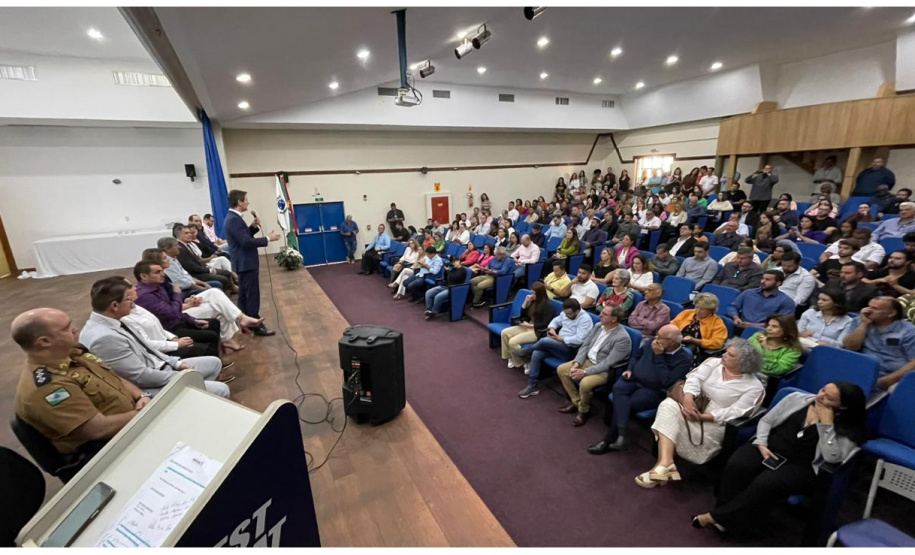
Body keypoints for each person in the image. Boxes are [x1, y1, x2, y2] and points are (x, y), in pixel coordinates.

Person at [693, 382, 867, 537]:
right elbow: (767, 420)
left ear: (843, 407)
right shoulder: (797, 399)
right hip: (769, 446)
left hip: (800, 464)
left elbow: (832, 457)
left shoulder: (846, 427)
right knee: (737, 465)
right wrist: (761, 443)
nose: (820, 396)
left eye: (829, 398)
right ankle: (727, 520)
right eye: (822, 390)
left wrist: (826, 425)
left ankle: (717, 518)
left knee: (766, 484)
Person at [12, 307, 149, 458]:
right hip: (109, 450)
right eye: (66, 328)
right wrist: (144, 413)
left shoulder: (70, 352)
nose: (75, 329)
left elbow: (111, 377)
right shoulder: (49, 388)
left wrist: (140, 395)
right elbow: (98, 430)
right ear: (44, 342)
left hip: (133, 423)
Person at [636, 339, 765, 487]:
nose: (724, 355)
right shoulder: (714, 363)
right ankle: (665, 463)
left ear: (744, 363)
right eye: (726, 352)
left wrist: (705, 417)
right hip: (693, 406)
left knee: (668, 418)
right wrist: (688, 398)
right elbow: (694, 378)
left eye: (730, 355)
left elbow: (736, 411)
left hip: (715, 422)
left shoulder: (754, 387)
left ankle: (663, 466)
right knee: (668, 405)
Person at [79, 278, 230, 398]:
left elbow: (147, 347)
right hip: (149, 386)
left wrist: (176, 363)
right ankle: (195, 398)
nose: (132, 303)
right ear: (114, 305)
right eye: (128, 299)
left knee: (214, 363)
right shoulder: (104, 338)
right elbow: (139, 376)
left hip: (161, 367)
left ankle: (196, 397)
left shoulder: (118, 320)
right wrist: (178, 376)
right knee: (222, 389)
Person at [588, 325, 693, 454]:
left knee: (626, 403)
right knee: (618, 387)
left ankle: (609, 440)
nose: (656, 338)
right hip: (633, 379)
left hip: (653, 390)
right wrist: (630, 369)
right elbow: (636, 356)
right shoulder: (652, 342)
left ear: (672, 342)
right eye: (657, 334)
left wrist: (659, 356)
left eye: (660, 337)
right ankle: (622, 434)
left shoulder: (684, 359)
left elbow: (666, 381)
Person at [557, 305, 631, 425]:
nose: (600, 315)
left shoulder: (622, 338)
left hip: (604, 370)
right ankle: (577, 402)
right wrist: (577, 363)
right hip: (587, 360)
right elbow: (585, 345)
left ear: (614, 319)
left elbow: (608, 363)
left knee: (585, 383)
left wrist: (585, 372)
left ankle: (583, 411)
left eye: (605, 314)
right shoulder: (598, 326)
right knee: (562, 369)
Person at [224, 189, 281, 336]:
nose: (248, 202)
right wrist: (267, 239)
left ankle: (245, 321)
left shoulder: (233, 218)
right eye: (246, 200)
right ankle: (256, 324)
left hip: (243, 262)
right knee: (252, 294)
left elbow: (243, 237)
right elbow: (246, 242)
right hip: (246, 262)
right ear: (239, 202)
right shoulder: (234, 219)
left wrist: (253, 227)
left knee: (244, 294)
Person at [132, 262, 219, 356]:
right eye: (157, 272)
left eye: (162, 271)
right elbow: (172, 312)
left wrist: (193, 320)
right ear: (144, 276)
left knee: (214, 323)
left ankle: (217, 355)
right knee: (210, 337)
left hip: (176, 322)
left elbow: (174, 310)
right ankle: (212, 357)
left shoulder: (157, 287)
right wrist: (177, 294)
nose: (163, 274)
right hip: (169, 330)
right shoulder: (145, 295)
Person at [515, 298, 594, 399]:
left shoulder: (585, 320)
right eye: (565, 313)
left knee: (545, 341)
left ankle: (526, 351)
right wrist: (552, 328)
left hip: (570, 350)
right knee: (537, 353)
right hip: (558, 345)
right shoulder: (566, 312)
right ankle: (532, 386)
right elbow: (556, 321)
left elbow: (579, 339)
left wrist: (560, 339)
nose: (566, 316)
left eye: (569, 314)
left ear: (577, 311)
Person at [844, 296, 915, 391]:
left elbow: (913, 363)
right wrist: (863, 325)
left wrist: (886, 381)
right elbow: (851, 347)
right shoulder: (860, 321)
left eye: (875, 308)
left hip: (892, 376)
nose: (868, 311)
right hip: (863, 369)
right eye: (869, 306)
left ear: (891, 313)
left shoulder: (909, 331)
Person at [500, 282, 555, 367]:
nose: (532, 295)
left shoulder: (548, 306)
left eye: (534, 293)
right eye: (531, 292)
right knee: (504, 332)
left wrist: (530, 326)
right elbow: (523, 316)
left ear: (540, 293)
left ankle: (524, 361)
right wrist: (526, 302)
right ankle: (509, 356)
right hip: (527, 326)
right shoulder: (534, 302)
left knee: (512, 342)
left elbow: (545, 324)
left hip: (536, 331)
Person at [173, 225, 235, 292]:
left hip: (200, 268)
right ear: (178, 235)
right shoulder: (180, 248)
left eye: (190, 233)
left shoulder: (187, 245)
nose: (189, 234)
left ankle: (232, 288)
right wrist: (208, 270)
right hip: (195, 274)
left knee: (226, 272)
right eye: (186, 233)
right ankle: (223, 293)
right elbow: (191, 266)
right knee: (222, 279)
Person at [727, 270, 796, 328]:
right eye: (762, 278)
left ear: (778, 283)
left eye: (767, 280)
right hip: (739, 326)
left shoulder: (786, 301)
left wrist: (753, 325)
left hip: (764, 332)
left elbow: (782, 323)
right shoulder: (748, 293)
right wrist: (736, 317)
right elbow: (733, 307)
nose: (763, 281)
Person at [671, 293, 728, 360]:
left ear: (711, 310)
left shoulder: (717, 323)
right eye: (697, 307)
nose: (698, 311)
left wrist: (694, 340)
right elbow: (671, 326)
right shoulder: (686, 313)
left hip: (697, 351)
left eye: (702, 309)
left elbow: (717, 343)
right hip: (676, 342)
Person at [820, 228, 885, 270]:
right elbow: (825, 255)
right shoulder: (842, 241)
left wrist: (846, 270)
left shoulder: (877, 248)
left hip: (854, 271)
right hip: (831, 267)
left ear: (869, 238)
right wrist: (824, 266)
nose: (856, 240)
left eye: (860, 238)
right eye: (855, 237)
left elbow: (872, 264)